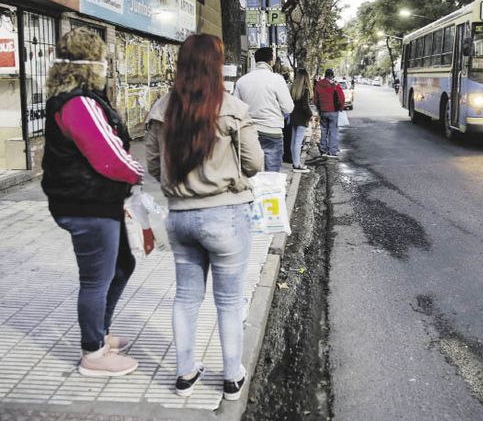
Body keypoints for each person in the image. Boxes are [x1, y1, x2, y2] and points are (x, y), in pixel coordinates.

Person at [146, 34, 264, 400]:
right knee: (228, 301)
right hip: (226, 216)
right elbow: (255, 163)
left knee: (185, 298)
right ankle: (231, 378)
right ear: (216, 66)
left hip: (180, 218)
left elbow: (153, 164)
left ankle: (185, 374)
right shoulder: (231, 108)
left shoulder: (162, 108)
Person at [41, 27, 145, 377]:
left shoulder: (74, 98)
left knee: (121, 266)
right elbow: (109, 158)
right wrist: (139, 175)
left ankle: (99, 333)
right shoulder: (79, 103)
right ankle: (93, 353)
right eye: (103, 58)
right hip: (87, 205)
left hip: (94, 200)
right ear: (92, 62)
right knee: (96, 279)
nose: (107, 65)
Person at [234, 47, 294, 172]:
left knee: (251, 173)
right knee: (271, 175)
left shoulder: (242, 81)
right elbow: (288, 107)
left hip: (249, 131)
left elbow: (236, 108)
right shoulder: (277, 79)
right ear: (271, 61)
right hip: (272, 130)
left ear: (256, 60)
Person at [313, 68, 345, 158]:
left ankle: (323, 150)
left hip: (323, 111)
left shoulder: (319, 84)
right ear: (332, 75)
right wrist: (341, 107)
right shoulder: (335, 85)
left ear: (325, 75)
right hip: (333, 111)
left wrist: (319, 108)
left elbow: (315, 99)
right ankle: (332, 151)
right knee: (333, 131)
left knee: (323, 130)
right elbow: (341, 97)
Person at [290, 68, 314, 172]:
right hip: (302, 118)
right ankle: (297, 165)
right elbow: (305, 107)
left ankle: (295, 162)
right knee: (298, 142)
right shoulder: (306, 90)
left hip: (294, 117)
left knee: (293, 141)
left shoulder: (293, 89)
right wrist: (311, 114)